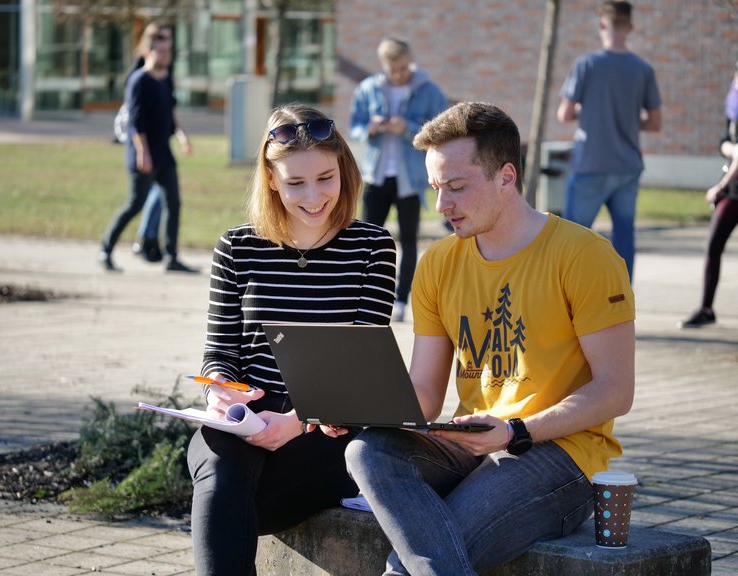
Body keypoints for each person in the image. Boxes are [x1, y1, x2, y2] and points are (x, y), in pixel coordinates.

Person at [343, 102, 636, 575]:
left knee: (415, 560)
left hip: (563, 455)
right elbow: (424, 396)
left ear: (506, 176)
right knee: (368, 451)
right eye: (436, 188)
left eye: (457, 187)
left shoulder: (585, 257)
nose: (442, 205)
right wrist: (359, 412)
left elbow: (615, 391)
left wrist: (517, 431)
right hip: (471, 442)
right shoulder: (438, 264)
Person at [186, 104, 397, 576]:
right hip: (244, 422)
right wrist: (220, 392)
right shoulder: (237, 247)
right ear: (271, 179)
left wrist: (299, 420)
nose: (314, 196)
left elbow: (361, 364)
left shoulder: (373, 247)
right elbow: (220, 351)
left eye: (326, 177)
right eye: (295, 182)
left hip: (328, 430)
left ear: (344, 169)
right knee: (220, 468)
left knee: (227, 507)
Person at [557, 1, 662, 281]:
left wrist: (590, 112)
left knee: (572, 237)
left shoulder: (587, 64)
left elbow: (564, 114)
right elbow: (655, 122)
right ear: (630, 27)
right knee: (624, 238)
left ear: (602, 24)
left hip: (591, 164)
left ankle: (566, 298)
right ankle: (621, 303)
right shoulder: (643, 69)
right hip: (627, 166)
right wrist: (626, 118)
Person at [350, 36, 447, 322]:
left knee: (408, 240)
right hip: (376, 175)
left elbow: (441, 130)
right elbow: (354, 126)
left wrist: (407, 129)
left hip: (410, 178)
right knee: (367, 241)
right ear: (384, 66)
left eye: (404, 68)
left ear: (410, 61)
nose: (399, 74)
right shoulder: (368, 89)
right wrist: (369, 129)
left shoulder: (428, 91)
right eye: (393, 69)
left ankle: (402, 300)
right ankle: (363, 297)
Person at [99, 22, 196, 273]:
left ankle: (171, 257)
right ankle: (105, 249)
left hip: (163, 154)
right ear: (149, 52)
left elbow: (171, 111)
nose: (166, 56)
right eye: (161, 51)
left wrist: (183, 137)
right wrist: (143, 152)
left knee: (173, 204)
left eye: (168, 52)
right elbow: (135, 122)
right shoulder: (138, 81)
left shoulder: (165, 79)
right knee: (135, 204)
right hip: (143, 155)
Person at [680, 64, 738, 328]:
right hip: (734, 191)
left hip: (731, 186)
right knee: (713, 245)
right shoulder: (733, 106)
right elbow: (725, 141)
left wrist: (720, 187)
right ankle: (706, 309)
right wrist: (730, 148)